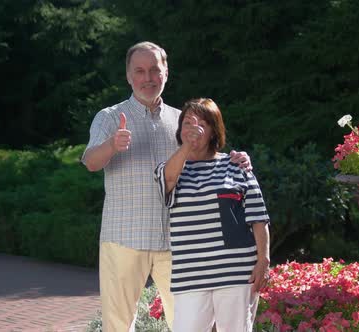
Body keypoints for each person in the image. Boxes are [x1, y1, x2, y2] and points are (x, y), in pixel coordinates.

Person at [81, 42, 251, 331]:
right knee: (118, 326)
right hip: (124, 237)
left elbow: (206, 157)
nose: (147, 78)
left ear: (166, 73)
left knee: (189, 324)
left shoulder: (180, 120)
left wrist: (235, 159)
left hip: (178, 241)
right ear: (128, 76)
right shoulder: (109, 117)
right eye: (140, 71)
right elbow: (90, 162)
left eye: (154, 70)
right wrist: (112, 144)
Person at [155, 98, 271, 332]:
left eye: (202, 124)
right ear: (179, 130)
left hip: (237, 272)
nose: (194, 129)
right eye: (187, 123)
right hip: (190, 275)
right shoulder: (170, 169)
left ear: (213, 131)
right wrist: (187, 145)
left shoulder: (236, 166)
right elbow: (167, 181)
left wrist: (263, 260)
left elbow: (258, 217)